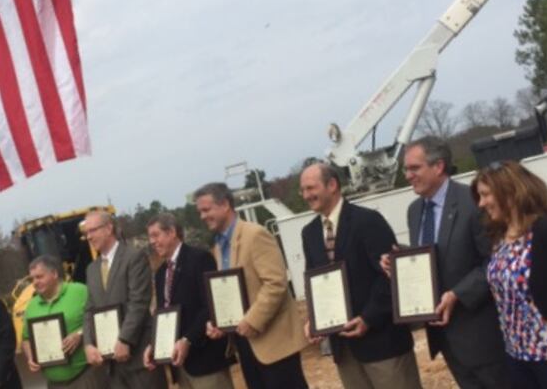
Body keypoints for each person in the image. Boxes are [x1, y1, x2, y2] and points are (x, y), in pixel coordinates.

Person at [380, 136, 507, 388]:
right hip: (446, 337)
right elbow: (436, 255)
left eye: (414, 168)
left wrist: (458, 294)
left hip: (482, 335)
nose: (407, 175)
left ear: (438, 167)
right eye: (406, 169)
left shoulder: (473, 202)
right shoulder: (415, 210)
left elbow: (494, 260)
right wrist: (400, 260)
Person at [472, 160, 547, 389]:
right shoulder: (498, 239)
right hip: (518, 359)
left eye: (486, 195)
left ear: (509, 192)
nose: (481, 203)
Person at [300, 163, 421, 389]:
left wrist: (368, 318)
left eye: (311, 188)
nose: (306, 195)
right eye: (303, 190)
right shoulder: (309, 233)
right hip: (345, 351)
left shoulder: (367, 221)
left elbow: (390, 277)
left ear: (332, 185)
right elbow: (314, 281)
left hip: (383, 344)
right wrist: (314, 319)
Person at [194, 182, 308, 389]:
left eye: (206, 209)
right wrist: (220, 322)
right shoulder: (219, 246)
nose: (202, 216)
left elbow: (276, 284)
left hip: (274, 344)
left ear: (225, 204)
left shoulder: (255, 235)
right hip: (245, 345)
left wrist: (252, 320)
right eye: (200, 211)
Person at [143, 213, 235, 389]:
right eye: (150, 237)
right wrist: (155, 346)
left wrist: (188, 339)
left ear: (171, 232)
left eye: (156, 235)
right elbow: (165, 314)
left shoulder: (200, 259)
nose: (152, 242)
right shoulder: (161, 272)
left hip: (206, 361)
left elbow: (210, 305)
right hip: (180, 367)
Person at [82, 210, 167, 389]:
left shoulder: (133, 256)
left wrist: (125, 339)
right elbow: (90, 310)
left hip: (139, 359)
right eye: (86, 233)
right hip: (112, 367)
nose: (88, 237)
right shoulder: (91, 269)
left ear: (108, 228)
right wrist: (89, 344)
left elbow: (139, 302)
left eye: (93, 230)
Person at [22, 255, 103, 388]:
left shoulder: (79, 291)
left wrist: (80, 334)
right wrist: (31, 357)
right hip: (54, 383)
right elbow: (26, 338)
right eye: (32, 279)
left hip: (86, 376)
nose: (35, 282)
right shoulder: (31, 306)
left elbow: (101, 317)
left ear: (54, 273)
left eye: (39, 277)